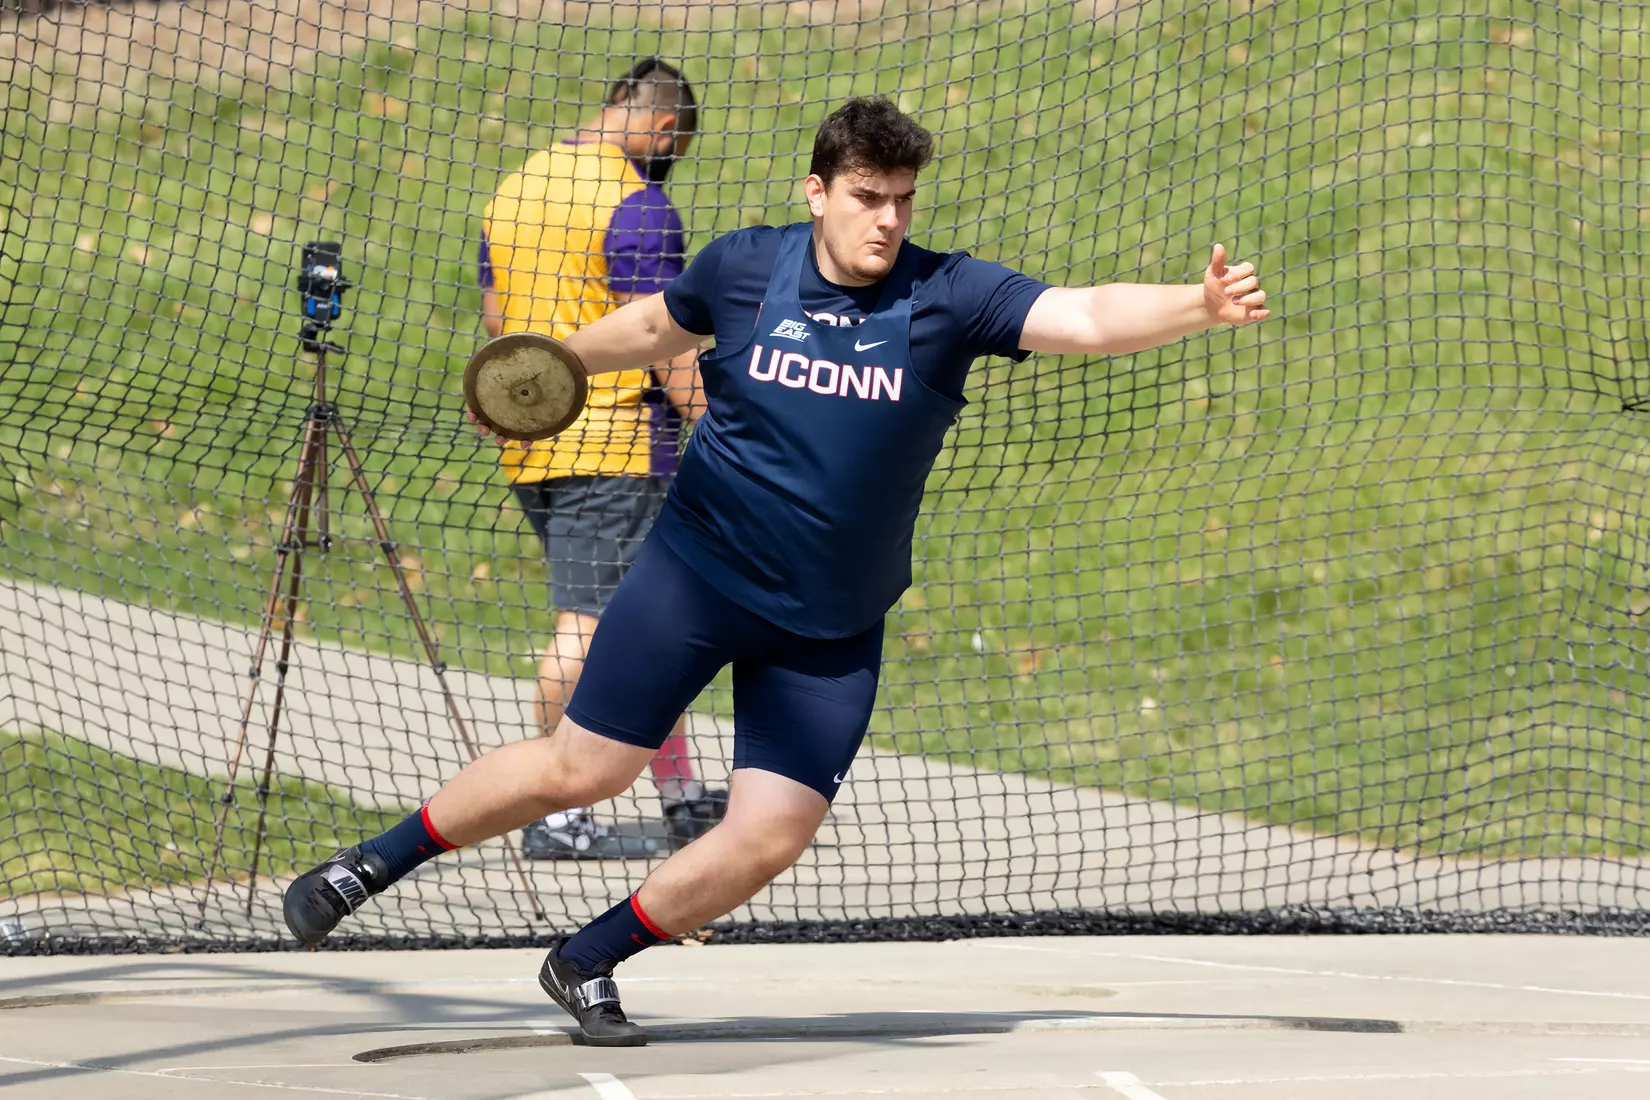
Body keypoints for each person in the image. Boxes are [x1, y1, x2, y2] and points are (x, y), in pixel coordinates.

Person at [284, 96, 1270, 1044]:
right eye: (866, 196)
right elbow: (650, 329)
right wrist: (543, 366)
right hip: (697, 576)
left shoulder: (945, 294)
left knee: (771, 834)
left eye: (901, 200)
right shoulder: (747, 267)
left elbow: (1087, 314)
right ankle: (366, 867)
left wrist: (1199, 303)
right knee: (585, 766)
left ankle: (588, 957)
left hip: (829, 622)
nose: (887, 219)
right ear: (817, 191)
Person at [478, 59, 723, 860]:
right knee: (588, 627)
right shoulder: (637, 205)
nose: (669, 160)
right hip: (616, 445)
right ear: (658, 125)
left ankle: (681, 792)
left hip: (532, 440)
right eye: (674, 144)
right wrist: (725, 432)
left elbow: (497, 319)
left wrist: (499, 401)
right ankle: (556, 814)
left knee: (649, 615)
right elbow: (660, 337)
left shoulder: (517, 187)